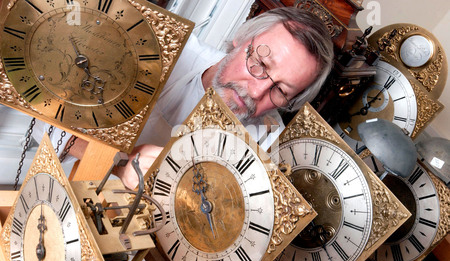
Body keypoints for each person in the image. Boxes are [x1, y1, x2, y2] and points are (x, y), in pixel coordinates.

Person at [33, 7, 334, 190]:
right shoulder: (162, 46)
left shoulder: (268, 138)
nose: (256, 93)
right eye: (260, 65)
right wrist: (120, 163)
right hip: (62, 194)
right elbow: (45, 118)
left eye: (281, 91)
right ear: (242, 39)